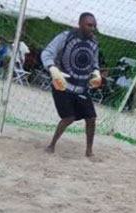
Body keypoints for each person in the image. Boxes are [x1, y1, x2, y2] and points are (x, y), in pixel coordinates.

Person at [42, 12, 101, 157]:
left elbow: (95, 63)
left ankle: (89, 151)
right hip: (62, 84)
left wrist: (96, 73)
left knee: (91, 119)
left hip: (82, 87)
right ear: (80, 24)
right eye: (89, 25)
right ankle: (52, 145)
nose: (92, 28)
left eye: (94, 25)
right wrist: (52, 68)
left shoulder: (94, 43)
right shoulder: (65, 37)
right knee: (68, 118)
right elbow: (47, 53)